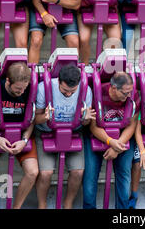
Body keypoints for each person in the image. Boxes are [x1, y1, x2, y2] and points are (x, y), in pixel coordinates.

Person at [0, 62, 38, 209]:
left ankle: (16, 207)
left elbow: (32, 118)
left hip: (21, 133)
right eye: (18, 88)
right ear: (8, 81)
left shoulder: (29, 89)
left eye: (24, 88)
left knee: (33, 172)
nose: (22, 92)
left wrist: (24, 140)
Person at [34, 64, 94, 209]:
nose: (68, 94)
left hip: (73, 132)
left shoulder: (86, 90)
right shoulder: (44, 88)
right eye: (65, 91)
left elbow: (85, 123)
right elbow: (35, 119)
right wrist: (45, 117)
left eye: (72, 92)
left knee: (78, 171)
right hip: (46, 132)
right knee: (46, 173)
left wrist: (86, 118)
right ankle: (42, 204)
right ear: (58, 81)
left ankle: (68, 203)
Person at [82, 72, 140, 209]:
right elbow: (93, 126)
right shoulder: (97, 93)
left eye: (129, 92)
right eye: (124, 93)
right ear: (113, 88)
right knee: (90, 175)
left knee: (124, 173)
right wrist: (110, 142)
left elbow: (133, 123)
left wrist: (116, 146)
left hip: (122, 138)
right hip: (99, 137)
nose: (128, 96)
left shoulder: (133, 95)